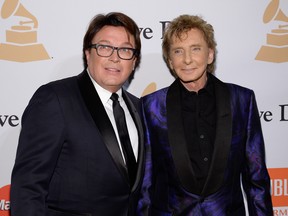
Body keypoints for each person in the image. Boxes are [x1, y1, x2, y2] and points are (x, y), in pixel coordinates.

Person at [10, 12, 145, 216]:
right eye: (105, 47)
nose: (115, 57)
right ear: (88, 53)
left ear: (134, 61)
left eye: (125, 50)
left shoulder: (139, 107)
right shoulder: (55, 99)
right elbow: (28, 187)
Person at [137, 15, 273, 215]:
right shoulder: (151, 106)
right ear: (170, 60)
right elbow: (146, 183)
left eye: (196, 49)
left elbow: (256, 178)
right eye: (178, 51)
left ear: (210, 55)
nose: (187, 59)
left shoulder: (242, 100)